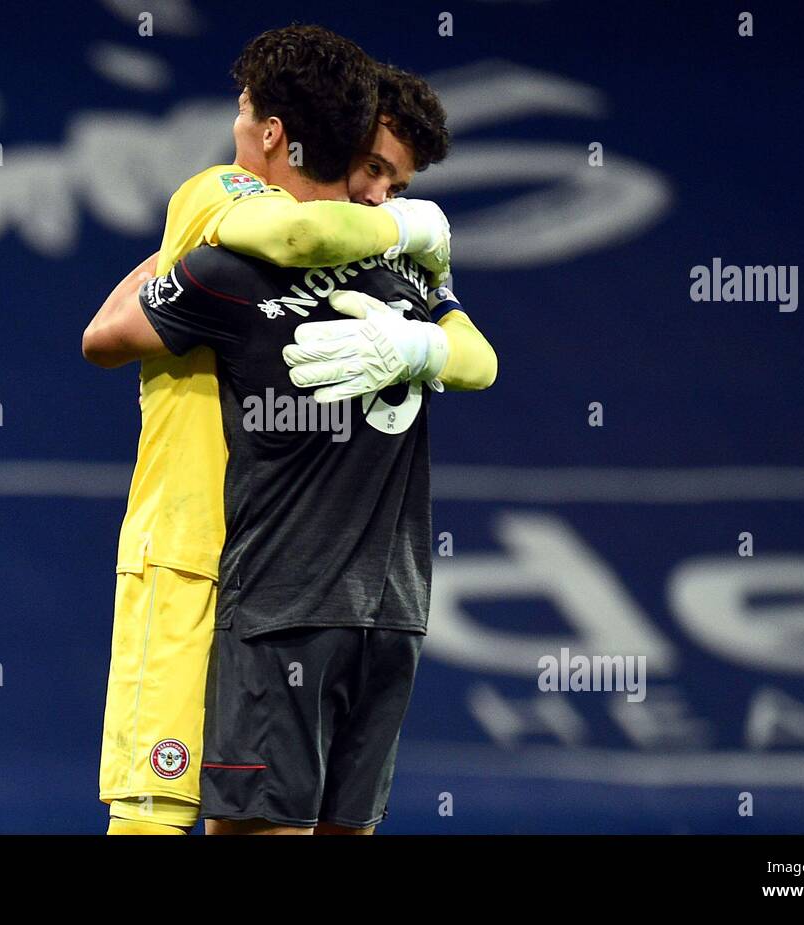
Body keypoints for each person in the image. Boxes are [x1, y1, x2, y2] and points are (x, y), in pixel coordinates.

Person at [82, 26, 495, 835]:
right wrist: (414, 235)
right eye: (372, 168)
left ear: (274, 130)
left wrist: (424, 341)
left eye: (396, 183)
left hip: (266, 586)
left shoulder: (248, 262)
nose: (380, 193)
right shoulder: (234, 208)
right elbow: (299, 235)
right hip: (243, 569)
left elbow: (101, 336)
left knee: (163, 818)